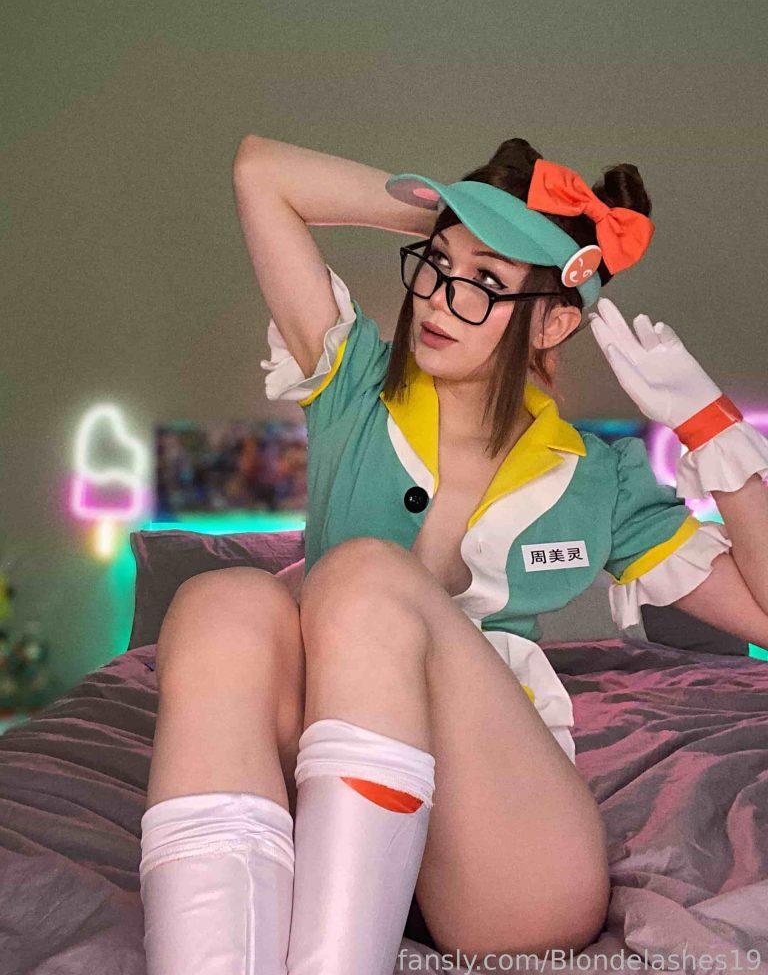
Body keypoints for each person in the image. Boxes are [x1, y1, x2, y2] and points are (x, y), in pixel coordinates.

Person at [138, 135, 764, 975]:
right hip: (304, 791)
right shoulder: (355, 384)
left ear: (555, 320)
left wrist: (709, 424)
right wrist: (459, 216)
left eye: (487, 283)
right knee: (223, 601)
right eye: (437, 267)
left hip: (501, 848)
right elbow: (261, 171)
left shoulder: (600, 479)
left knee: (364, 576)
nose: (437, 299)